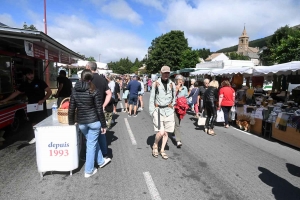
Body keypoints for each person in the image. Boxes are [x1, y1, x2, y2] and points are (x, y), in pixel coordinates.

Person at [68, 69, 111, 178]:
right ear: (91, 79)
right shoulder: (93, 90)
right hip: (94, 121)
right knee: (91, 144)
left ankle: (101, 161)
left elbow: (71, 108)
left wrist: (71, 122)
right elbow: (99, 109)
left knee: (92, 142)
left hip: (82, 123)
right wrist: (103, 125)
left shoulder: (74, 90)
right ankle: (89, 170)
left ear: (81, 78)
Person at [0, 68, 52, 144]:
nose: (31, 76)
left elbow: (49, 91)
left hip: (40, 105)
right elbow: (16, 93)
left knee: (42, 120)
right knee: (33, 121)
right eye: (29, 74)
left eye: (32, 74)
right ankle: (36, 136)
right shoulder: (24, 84)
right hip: (31, 106)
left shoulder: (39, 82)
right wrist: (5, 100)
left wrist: (43, 99)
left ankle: (45, 137)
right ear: (25, 75)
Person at [86, 61, 112, 158]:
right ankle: (104, 152)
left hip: (89, 109)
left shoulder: (87, 79)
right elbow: (109, 94)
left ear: (88, 67)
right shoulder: (102, 79)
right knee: (101, 131)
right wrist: (103, 105)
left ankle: (94, 155)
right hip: (99, 109)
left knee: (90, 133)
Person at [149, 66, 176, 159]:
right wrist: (152, 111)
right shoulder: (156, 84)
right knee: (161, 132)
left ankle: (162, 150)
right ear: (161, 72)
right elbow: (152, 98)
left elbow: (174, 97)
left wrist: (172, 106)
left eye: (167, 73)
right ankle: (155, 145)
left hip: (169, 111)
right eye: (164, 72)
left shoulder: (172, 84)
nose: (166, 74)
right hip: (158, 110)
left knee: (166, 132)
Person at [173, 75, 188, 147]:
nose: (180, 81)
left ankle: (174, 133)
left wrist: (186, 104)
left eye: (181, 80)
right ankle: (178, 140)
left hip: (182, 108)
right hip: (174, 107)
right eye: (178, 80)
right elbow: (172, 97)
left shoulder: (185, 88)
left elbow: (186, 97)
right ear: (176, 81)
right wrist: (177, 89)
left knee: (178, 122)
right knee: (177, 124)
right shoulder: (173, 87)